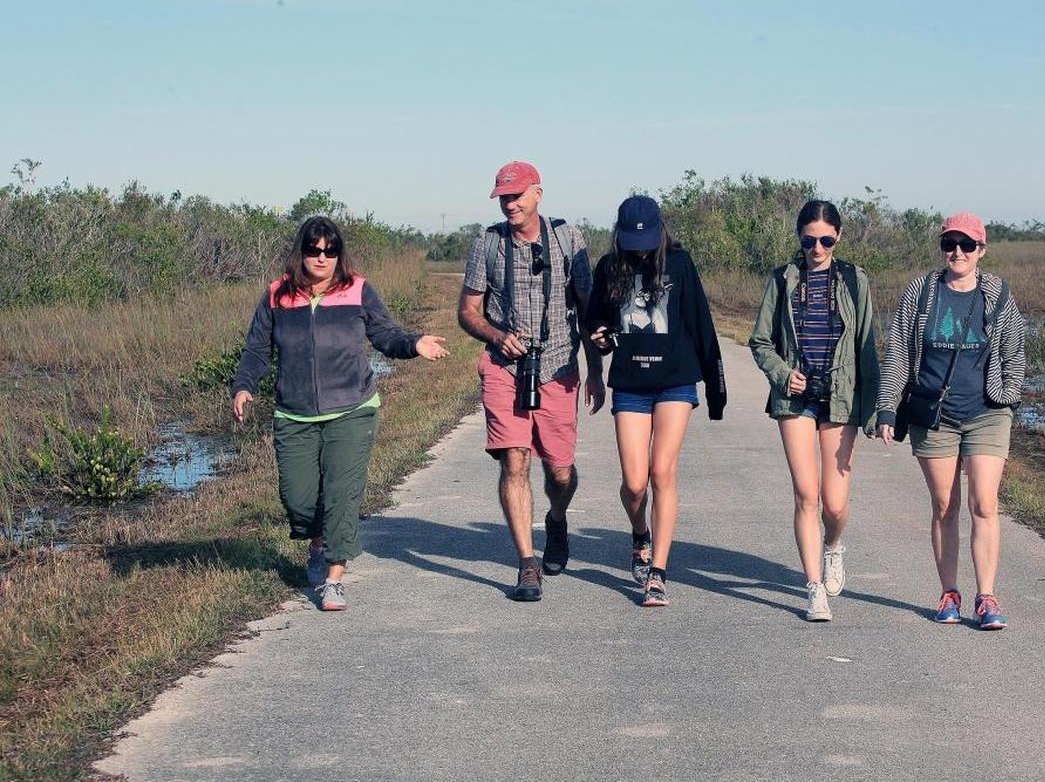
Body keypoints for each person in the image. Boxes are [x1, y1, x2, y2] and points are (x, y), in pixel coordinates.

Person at [231, 216, 448, 611]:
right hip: (294, 414)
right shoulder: (277, 294)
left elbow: (385, 334)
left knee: (340, 496)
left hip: (352, 410)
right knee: (298, 500)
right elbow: (257, 349)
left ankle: (334, 578)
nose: (322, 257)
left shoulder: (358, 290)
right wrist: (244, 385)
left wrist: (414, 343)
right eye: (314, 250)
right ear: (302, 251)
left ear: (339, 253)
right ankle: (316, 543)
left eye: (330, 251)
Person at [457, 161, 604, 602]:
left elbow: (588, 308)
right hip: (504, 368)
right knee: (514, 460)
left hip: (559, 366)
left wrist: (595, 370)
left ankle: (556, 519)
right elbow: (467, 312)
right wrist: (498, 336)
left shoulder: (567, 238)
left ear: (538, 193)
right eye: (504, 196)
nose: (510, 204)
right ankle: (527, 564)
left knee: (559, 472)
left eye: (517, 195)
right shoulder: (487, 244)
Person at [875, 212, 1026, 630]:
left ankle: (987, 596)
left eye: (966, 245)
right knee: (945, 506)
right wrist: (887, 408)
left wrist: (1008, 394)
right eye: (949, 244)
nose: (957, 252)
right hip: (934, 415)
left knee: (984, 503)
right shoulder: (922, 293)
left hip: (987, 414)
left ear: (981, 250)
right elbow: (899, 354)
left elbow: (1015, 349)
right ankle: (949, 593)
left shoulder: (997, 294)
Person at [587, 195, 725, 607]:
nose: (640, 248)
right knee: (635, 482)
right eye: (632, 240)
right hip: (630, 383)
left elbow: (701, 323)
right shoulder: (609, 268)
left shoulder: (680, 265)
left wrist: (716, 392)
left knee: (662, 471)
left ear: (660, 231)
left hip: (675, 382)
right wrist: (599, 337)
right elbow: (597, 322)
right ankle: (639, 535)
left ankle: (659, 573)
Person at [748, 200, 880, 622]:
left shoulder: (855, 280)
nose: (817, 247)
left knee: (834, 505)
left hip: (840, 398)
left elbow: (867, 347)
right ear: (799, 238)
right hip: (796, 400)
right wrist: (784, 374)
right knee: (806, 493)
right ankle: (813, 588)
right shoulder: (783, 280)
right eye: (809, 240)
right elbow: (760, 342)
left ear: (837, 237)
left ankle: (834, 547)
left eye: (825, 239)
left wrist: (877, 408)